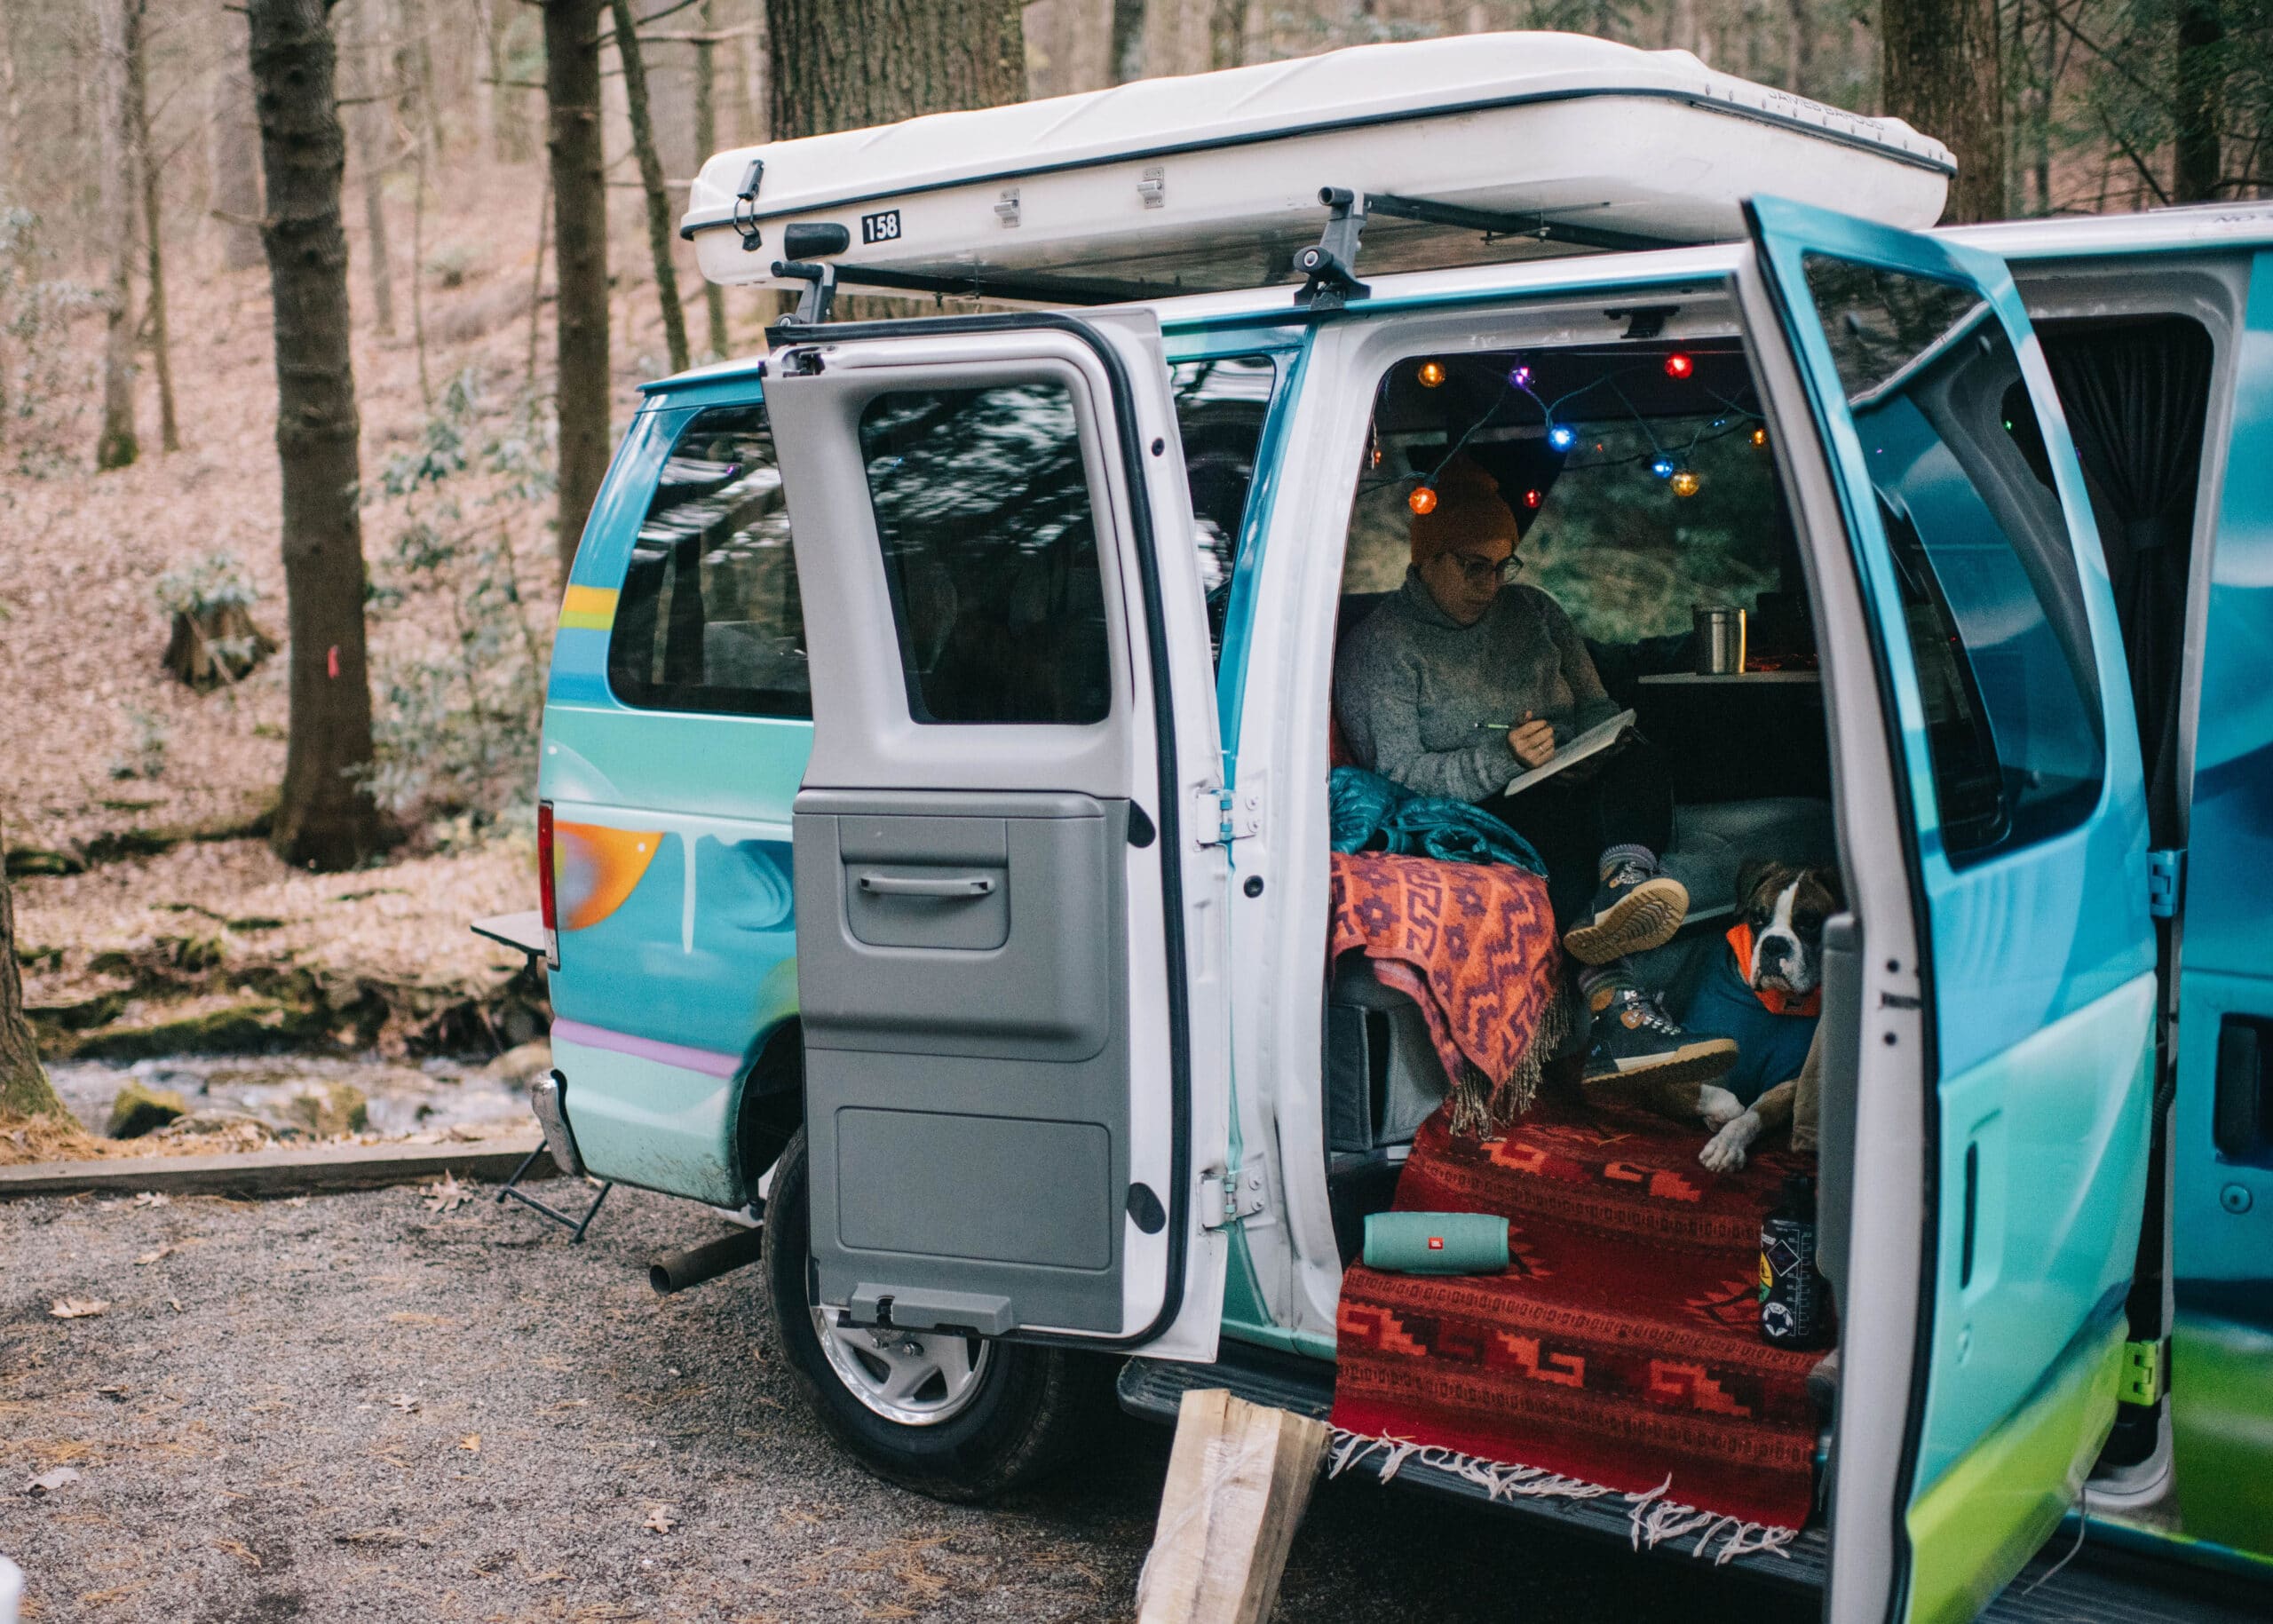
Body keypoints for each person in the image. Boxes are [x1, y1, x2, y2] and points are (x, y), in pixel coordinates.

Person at [1334, 453, 1735, 1092]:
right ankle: (1613, 1000)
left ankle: (1623, 887)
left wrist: (1590, 744)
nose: (1491, 584)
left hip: (1571, 777)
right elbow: (1396, 781)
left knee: (1639, 755)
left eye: (1502, 565)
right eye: (1472, 566)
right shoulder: (1382, 649)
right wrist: (1505, 759)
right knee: (1552, 827)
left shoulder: (1536, 613)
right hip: (1482, 813)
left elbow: (1599, 705)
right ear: (1427, 558)